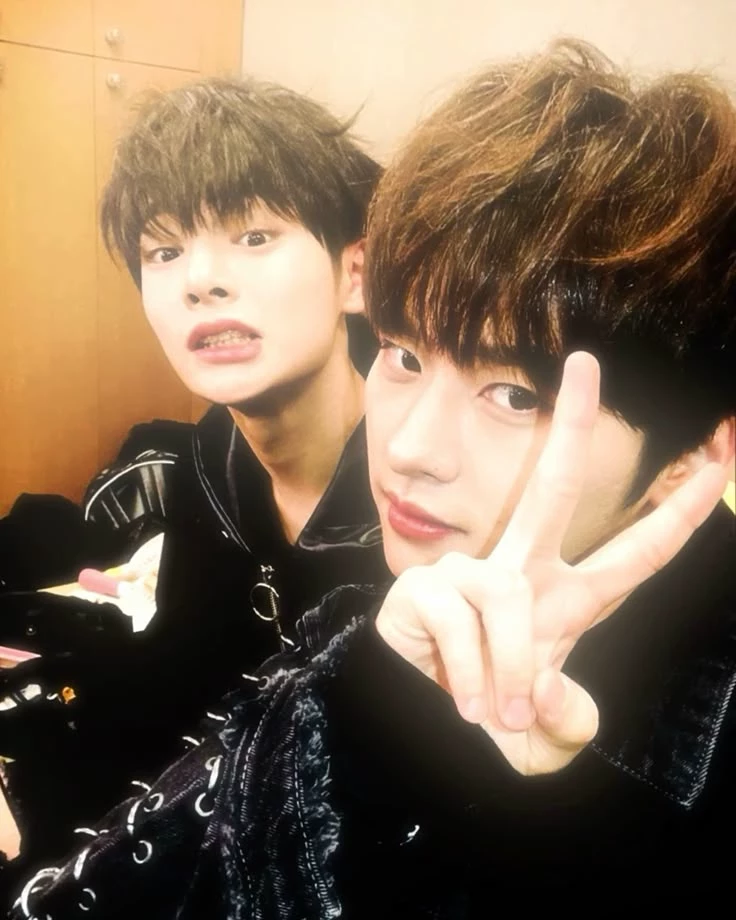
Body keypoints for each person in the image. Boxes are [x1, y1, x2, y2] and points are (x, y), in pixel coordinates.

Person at [9, 39, 736, 915]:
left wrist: (562, 812)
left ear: (688, 461)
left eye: (515, 395)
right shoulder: (338, 594)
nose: (409, 449)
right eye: (402, 355)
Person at [0, 78, 389, 877]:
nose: (198, 281)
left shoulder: (424, 496)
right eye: (165, 251)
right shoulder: (198, 472)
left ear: (355, 272)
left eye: (254, 235)